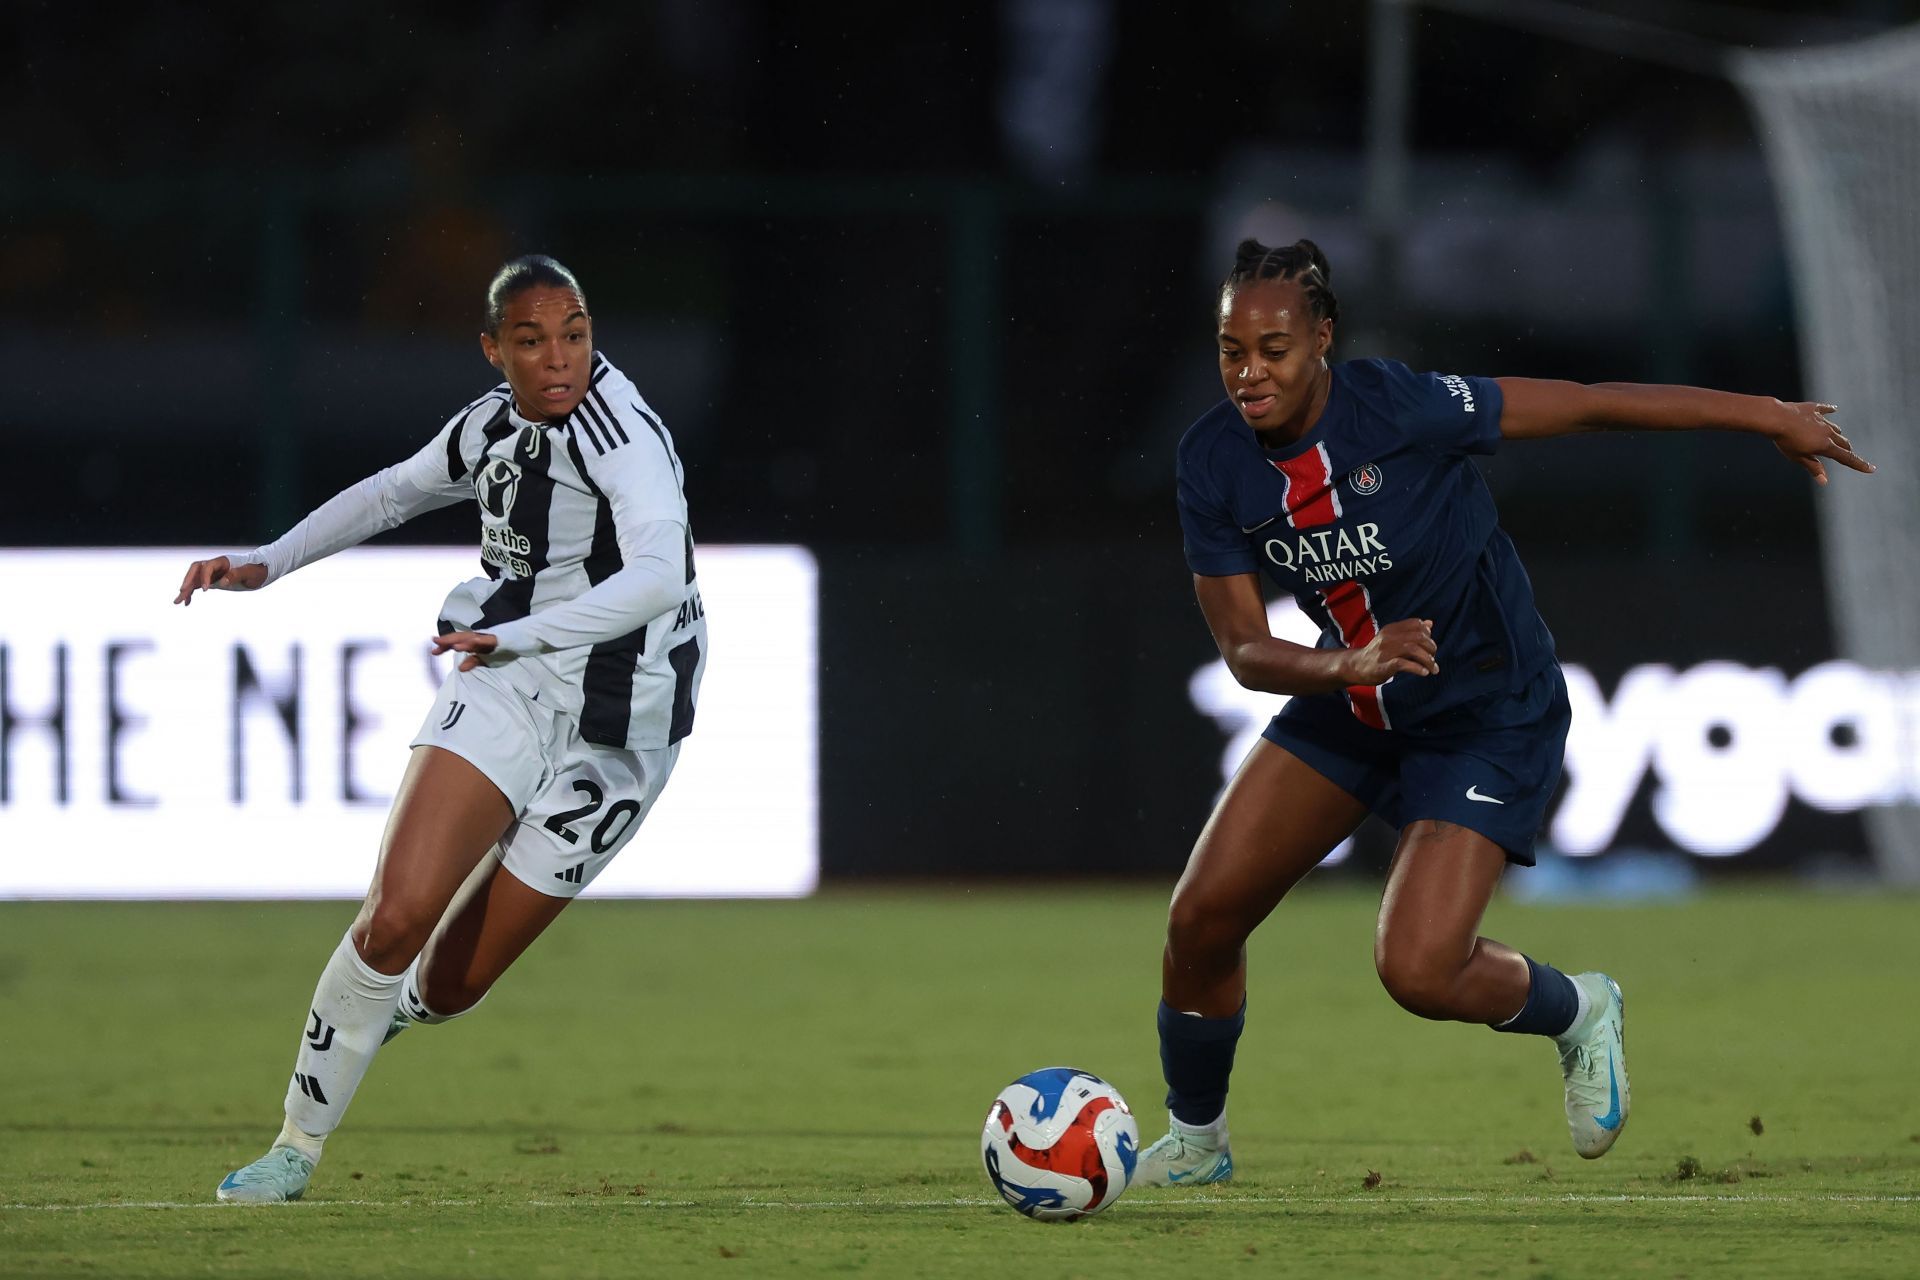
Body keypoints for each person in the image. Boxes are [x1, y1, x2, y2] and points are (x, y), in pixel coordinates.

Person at [1137, 238, 1872, 1185]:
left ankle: (1580, 1009)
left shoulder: (1402, 408)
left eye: (1273, 349)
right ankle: (1198, 1144)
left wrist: (1765, 415)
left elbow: (1592, 404)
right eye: (1232, 351)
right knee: (1201, 919)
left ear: (1324, 339)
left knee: (1418, 972)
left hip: (1488, 711)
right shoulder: (1211, 459)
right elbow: (1242, 649)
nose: (1250, 373)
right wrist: (1351, 662)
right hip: (1356, 697)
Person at [175, 255, 708, 1204]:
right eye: (534, 341)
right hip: (505, 681)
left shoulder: (623, 438)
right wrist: (268, 562)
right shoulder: (490, 427)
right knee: (395, 916)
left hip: (623, 730)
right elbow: (393, 493)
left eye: (576, 335)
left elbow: (659, 576)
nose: (559, 359)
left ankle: (386, 1016)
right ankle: (295, 1146)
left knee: (453, 984)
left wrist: (516, 631)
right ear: (493, 350)